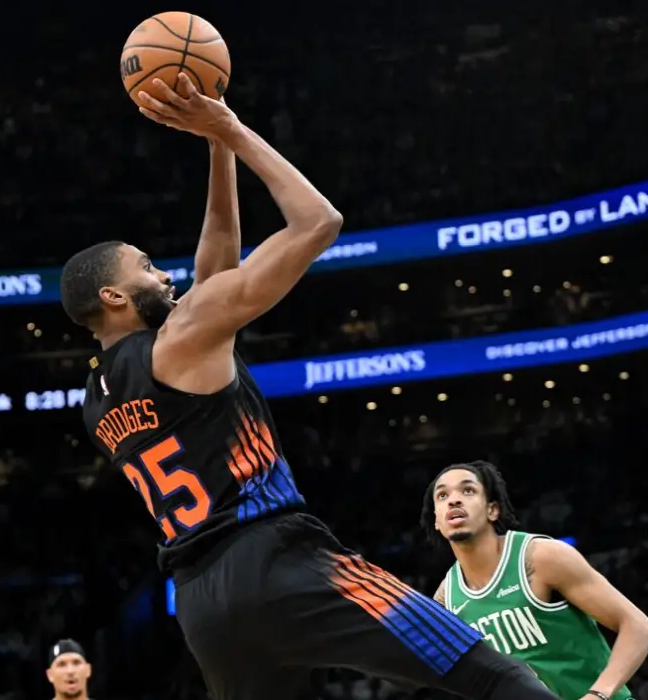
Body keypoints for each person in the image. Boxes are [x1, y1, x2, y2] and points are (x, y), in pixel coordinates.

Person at [61, 73, 559, 700]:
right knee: (493, 676)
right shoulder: (182, 337)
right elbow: (318, 222)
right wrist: (234, 130)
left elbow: (217, 264)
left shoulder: (97, 399)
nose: (166, 275)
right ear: (113, 296)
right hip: (277, 559)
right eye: (147, 268)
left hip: (201, 604)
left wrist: (216, 150)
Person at [421, 460, 648, 700]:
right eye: (442, 496)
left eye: (468, 490)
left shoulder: (540, 557)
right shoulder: (446, 598)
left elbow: (639, 627)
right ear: (437, 523)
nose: (454, 500)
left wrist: (598, 695)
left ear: (493, 509)